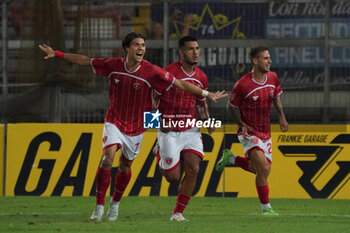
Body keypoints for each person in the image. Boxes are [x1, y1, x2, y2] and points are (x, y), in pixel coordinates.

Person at [39, 32, 226, 222]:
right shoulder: (114, 65)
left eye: (143, 45)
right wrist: (58, 54)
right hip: (115, 121)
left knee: (128, 167)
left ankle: (117, 204)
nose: (141, 49)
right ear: (127, 48)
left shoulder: (155, 71)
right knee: (107, 159)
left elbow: (181, 86)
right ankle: (99, 207)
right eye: (137, 45)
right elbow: (86, 61)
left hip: (140, 127)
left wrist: (206, 95)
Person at [215, 45, 288, 215]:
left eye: (269, 58)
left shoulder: (273, 78)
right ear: (255, 61)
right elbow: (231, 106)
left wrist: (282, 117)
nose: (269, 61)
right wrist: (241, 124)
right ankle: (266, 208)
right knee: (262, 168)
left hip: (266, 132)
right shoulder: (243, 84)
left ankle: (231, 159)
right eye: (265, 58)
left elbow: (276, 97)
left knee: (262, 170)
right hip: (249, 132)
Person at [153, 36, 214, 221]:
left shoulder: (201, 76)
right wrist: (157, 122)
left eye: (197, 48)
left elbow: (201, 102)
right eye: (190, 49)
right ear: (181, 52)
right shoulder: (168, 73)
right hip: (168, 129)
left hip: (190, 128)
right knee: (172, 177)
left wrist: (207, 120)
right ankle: (159, 154)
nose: (195, 52)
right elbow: (151, 100)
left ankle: (178, 213)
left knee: (193, 169)